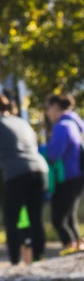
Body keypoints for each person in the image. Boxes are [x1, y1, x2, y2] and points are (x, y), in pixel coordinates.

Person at [0, 91, 48, 265]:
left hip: (16, 173)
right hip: (40, 169)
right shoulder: (21, 122)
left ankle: (14, 263)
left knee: (11, 220)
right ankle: (39, 259)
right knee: (35, 218)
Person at [43, 92, 84, 251]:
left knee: (58, 220)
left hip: (67, 178)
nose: (47, 113)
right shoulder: (73, 123)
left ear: (55, 107)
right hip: (76, 177)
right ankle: (79, 250)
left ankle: (71, 252)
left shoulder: (62, 127)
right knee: (69, 219)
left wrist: (42, 150)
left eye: (48, 108)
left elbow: (54, 154)